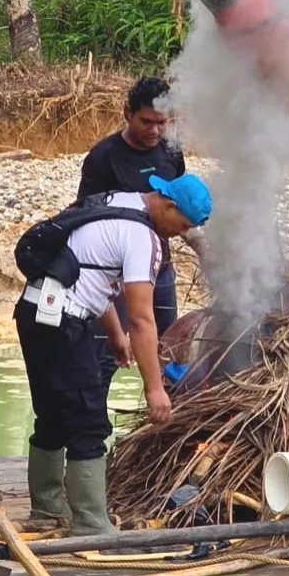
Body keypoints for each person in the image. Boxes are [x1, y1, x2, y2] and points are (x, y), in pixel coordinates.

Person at [15, 174, 212, 535]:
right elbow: (141, 318)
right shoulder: (143, 237)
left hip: (33, 312)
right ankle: (91, 525)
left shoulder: (116, 201)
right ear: (169, 206)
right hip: (62, 322)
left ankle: (47, 508)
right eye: (183, 225)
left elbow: (93, 274)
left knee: (53, 415)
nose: (180, 234)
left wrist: (114, 334)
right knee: (89, 423)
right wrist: (154, 388)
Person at [77, 76, 204, 393]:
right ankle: (94, 416)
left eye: (162, 123)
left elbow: (180, 206)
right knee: (106, 355)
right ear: (128, 114)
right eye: (146, 122)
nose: (155, 131)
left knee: (170, 349)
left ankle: (171, 413)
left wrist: (205, 249)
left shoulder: (170, 152)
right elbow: (84, 215)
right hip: (115, 275)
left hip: (160, 268)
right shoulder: (103, 158)